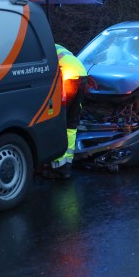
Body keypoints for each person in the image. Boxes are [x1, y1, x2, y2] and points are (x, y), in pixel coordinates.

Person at [43, 44, 88, 180]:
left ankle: (57, 165)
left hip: (68, 77)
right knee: (71, 123)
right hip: (82, 74)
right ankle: (66, 164)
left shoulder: (43, 47)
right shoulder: (55, 46)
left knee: (58, 120)